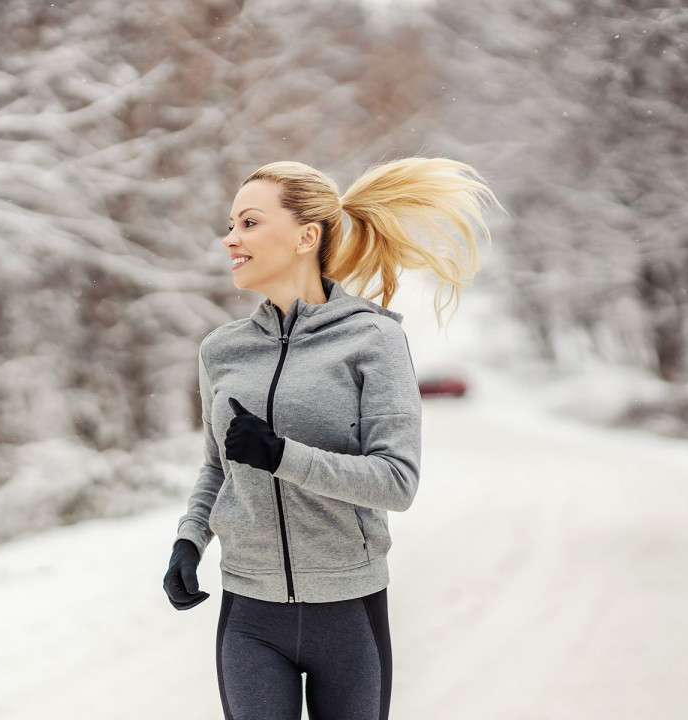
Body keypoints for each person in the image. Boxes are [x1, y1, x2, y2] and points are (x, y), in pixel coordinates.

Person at [162, 157, 500, 720]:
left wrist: (281, 456)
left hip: (348, 612)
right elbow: (216, 467)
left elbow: (397, 481)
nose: (229, 239)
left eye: (248, 223)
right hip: (249, 613)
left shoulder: (372, 340)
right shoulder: (221, 350)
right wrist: (189, 540)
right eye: (230, 225)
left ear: (306, 236)